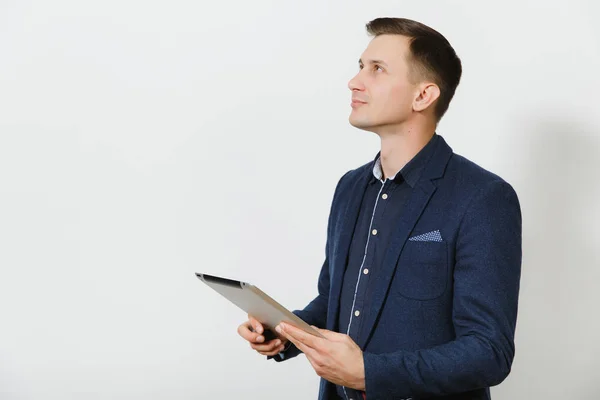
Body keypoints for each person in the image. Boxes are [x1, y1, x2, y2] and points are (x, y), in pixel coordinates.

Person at [238, 17, 522, 400]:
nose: (355, 82)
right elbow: (334, 301)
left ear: (423, 96)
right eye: (360, 67)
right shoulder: (350, 187)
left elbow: (489, 352)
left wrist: (370, 373)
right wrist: (283, 331)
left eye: (377, 70)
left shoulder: (483, 196)